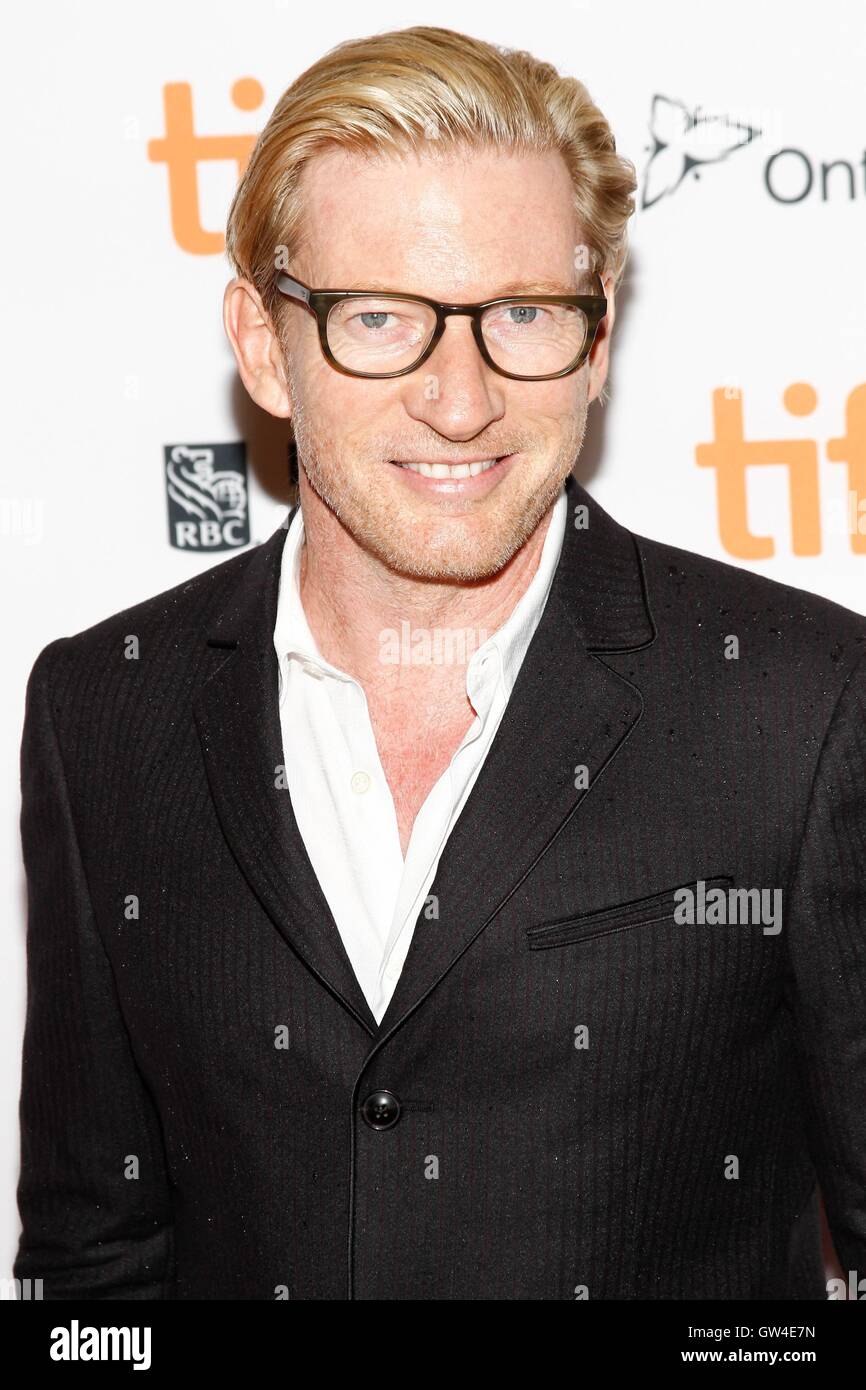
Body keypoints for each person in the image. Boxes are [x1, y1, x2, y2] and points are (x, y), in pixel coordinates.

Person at [14, 25, 866, 1300]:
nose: (458, 399)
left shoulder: (798, 703)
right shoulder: (104, 709)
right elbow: (94, 1262)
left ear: (595, 336)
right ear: (263, 343)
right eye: (379, 319)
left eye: (520, 313)